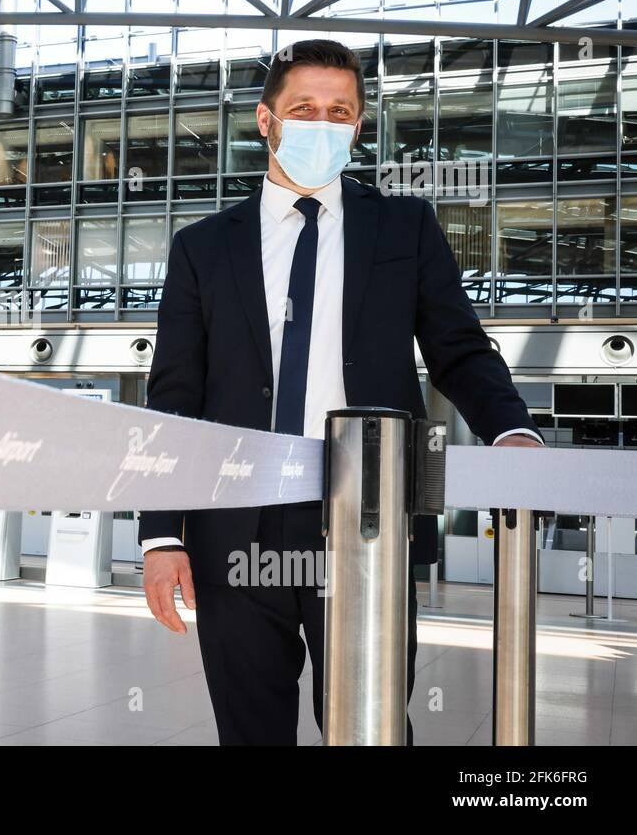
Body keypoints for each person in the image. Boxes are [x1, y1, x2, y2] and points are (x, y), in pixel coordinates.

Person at [138, 39, 543, 745]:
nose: (321, 124)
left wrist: (512, 430)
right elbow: (175, 395)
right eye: (304, 108)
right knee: (250, 730)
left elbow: (458, 348)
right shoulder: (203, 247)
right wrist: (162, 533)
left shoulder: (404, 227)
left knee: (372, 728)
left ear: (357, 127)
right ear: (266, 120)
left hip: (367, 518)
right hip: (237, 520)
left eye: (339, 112)